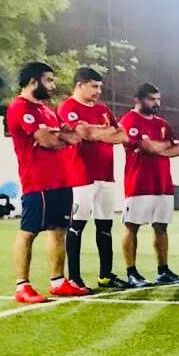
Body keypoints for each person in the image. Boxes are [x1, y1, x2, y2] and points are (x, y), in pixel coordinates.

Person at [7, 62, 89, 302]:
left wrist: (59, 135)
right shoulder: (20, 107)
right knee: (29, 232)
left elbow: (73, 138)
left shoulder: (47, 110)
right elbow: (47, 140)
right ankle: (22, 286)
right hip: (37, 182)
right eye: (49, 80)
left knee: (58, 231)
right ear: (34, 81)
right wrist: (59, 137)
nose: (53, 85)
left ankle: (58, 282)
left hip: (62, 180)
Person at [58, 67, 130, 290]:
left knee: (105, 225)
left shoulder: (103, 109)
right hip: (80, 174)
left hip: (105, 174)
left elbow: (123, 135)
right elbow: (83, 133)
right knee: (77, 225)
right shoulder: (68, 107)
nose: (98, 91)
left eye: (100, 86)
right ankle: (74, 277)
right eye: (94, 86)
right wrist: (103, 133)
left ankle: (105, 275)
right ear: (80, 85)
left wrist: (96, 132)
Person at [119, 83, 179, 287]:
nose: (156, 103)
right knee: (132, 226)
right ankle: (132, 273)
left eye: (158, 99)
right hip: (138, 183)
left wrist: (157, 147)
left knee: (161, 227)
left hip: (162, 183)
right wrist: (163, 146)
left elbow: (178, 150)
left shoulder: (162, 123)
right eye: (151, 99)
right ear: (138, 100)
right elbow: (147, 146)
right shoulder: (129, 120)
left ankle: (163, 270)